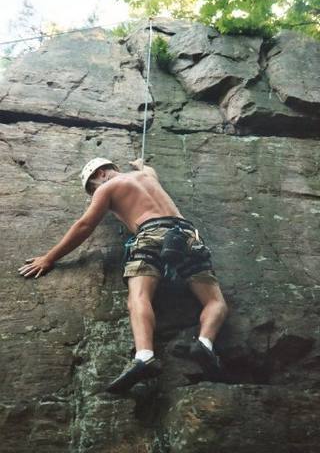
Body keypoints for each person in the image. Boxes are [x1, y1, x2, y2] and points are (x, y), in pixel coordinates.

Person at [19, 157, 228, 393]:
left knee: (139, 297)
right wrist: (139, 164)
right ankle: (205, 342)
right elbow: (148, 167)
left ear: (100, 174)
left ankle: (145, 356)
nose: (95, 192)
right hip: (188, 237)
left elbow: (84, 225)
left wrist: (49, 258)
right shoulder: (149, 176)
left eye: (92, 188)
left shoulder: (107, 187)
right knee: (214, 301)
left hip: (152, 235)